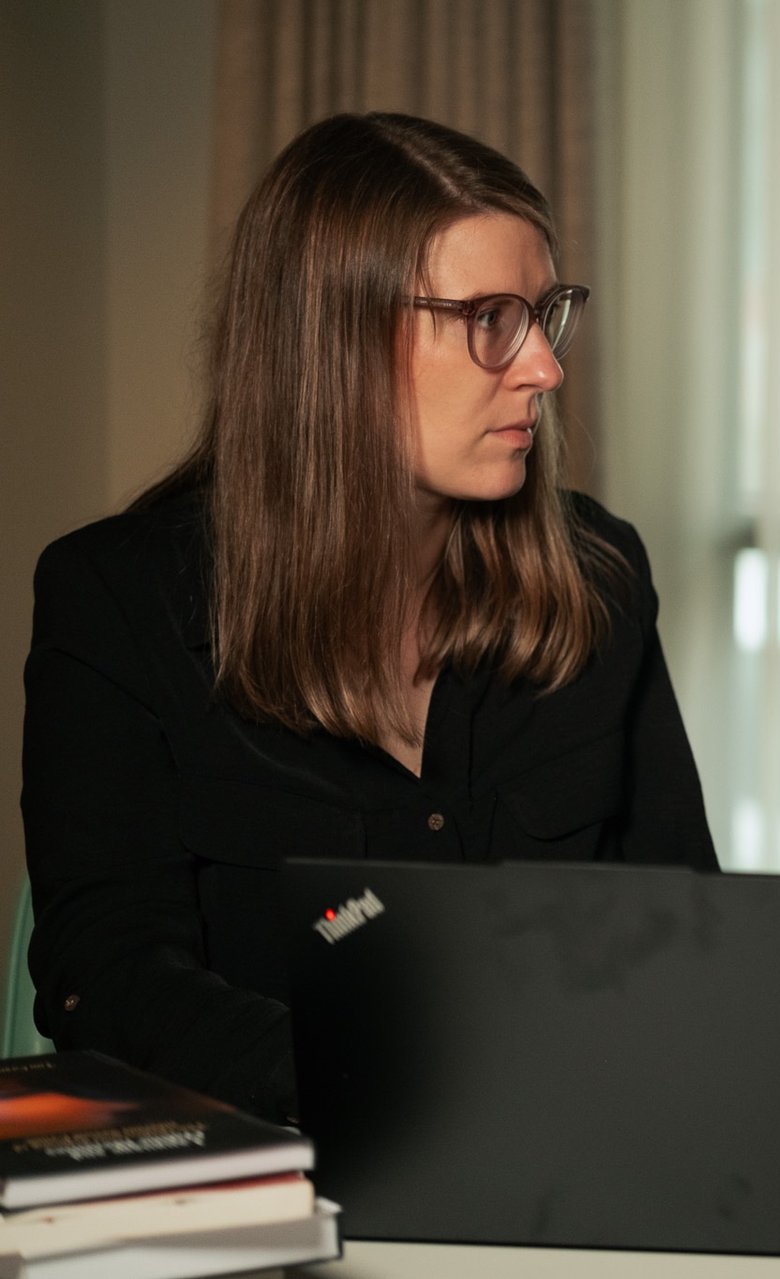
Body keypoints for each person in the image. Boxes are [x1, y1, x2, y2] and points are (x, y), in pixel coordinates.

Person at [21, 113, 716, 1124]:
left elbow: (686, 934)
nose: (545, 369)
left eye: (544, 314)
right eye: (491, 319)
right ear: (336, 340)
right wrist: (393, 1082)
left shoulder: (600, 576)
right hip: (268, 1169)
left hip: (558, 1159)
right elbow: (107, 979)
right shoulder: (117, 598)